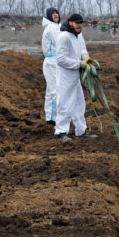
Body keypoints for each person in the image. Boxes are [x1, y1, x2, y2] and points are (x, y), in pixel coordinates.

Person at [55, 13, 97, 142]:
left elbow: (83, 49)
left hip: (76, 75)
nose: (79, 25)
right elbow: (61, 59)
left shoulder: (79, 35)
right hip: (65, 76)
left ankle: (81, 130)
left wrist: (86, 58)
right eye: (77, 23)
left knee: (79, 103)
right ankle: (61, 132)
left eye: (80, 23)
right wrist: (79, 63)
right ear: (70, 23)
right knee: (65, 103)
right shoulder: (63, 37)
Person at [42, 7, 61, 126]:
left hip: (53, 61)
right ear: (49, 16)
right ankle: (59, 118)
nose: (55, 15)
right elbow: (59, 43)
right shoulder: (52, 28)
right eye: (52, 14)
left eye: (56, 13)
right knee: (55, 90)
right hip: (52, 61)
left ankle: (50, 117)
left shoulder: (56, 26)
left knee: (50, 90)